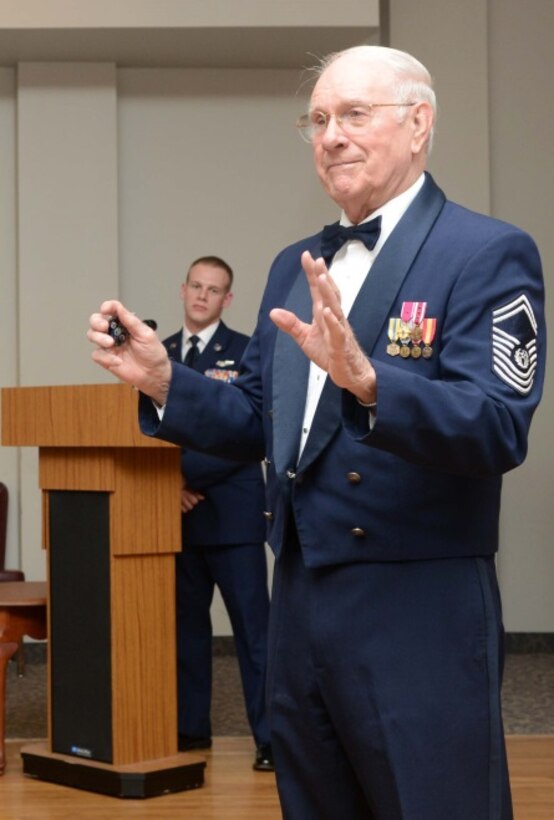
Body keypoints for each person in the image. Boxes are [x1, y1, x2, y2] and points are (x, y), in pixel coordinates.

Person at [89, 45, 546, 819]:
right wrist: (165, 381)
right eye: (320, 120)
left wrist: (370, 382)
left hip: (419, 603)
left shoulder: (485, 252)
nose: (331, 135)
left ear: (419, 124)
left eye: (355, 115)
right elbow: (254, 420)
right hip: (299, 600)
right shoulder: (290, 265)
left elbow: (498, 426)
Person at [163, 255, 273, 772]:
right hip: (174, 520)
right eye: (197, 287)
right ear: (183, 290)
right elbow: (140, 432)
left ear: (228, 300)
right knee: (185, 632)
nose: (203, 296)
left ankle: (271, 739)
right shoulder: (157, 356)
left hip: (233, 519)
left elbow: (246, 435)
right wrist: (169, 486)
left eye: (215, 290)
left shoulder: (248, 353)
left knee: (255, 634)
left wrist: (182, 476)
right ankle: (190, 731)